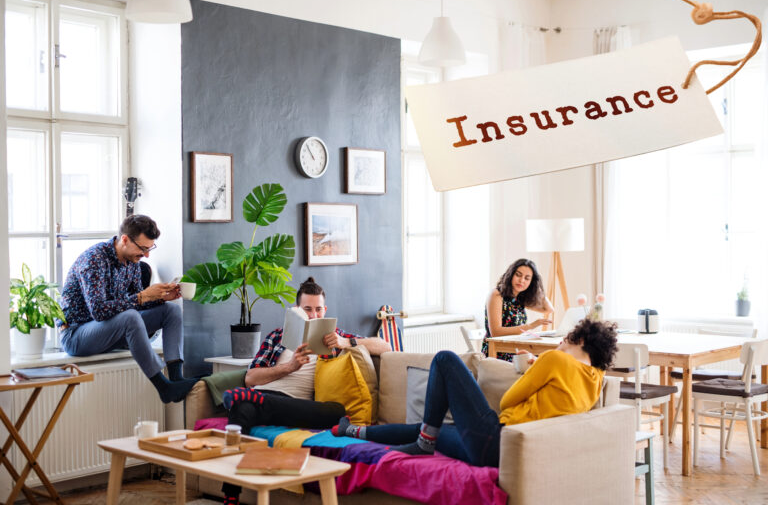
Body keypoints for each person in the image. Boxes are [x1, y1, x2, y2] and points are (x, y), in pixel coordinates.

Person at [332, 319, 618, 468]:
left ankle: (422, 442)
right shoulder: (596, 381)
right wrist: (537, 366)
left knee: (445, 359)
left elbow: (507, 401)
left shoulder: (555, 360)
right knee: (430, 431)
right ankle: (353, 431)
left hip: (497, 439)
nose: (560, 343)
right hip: (504, 455)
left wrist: (539, 363)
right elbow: (554, 400)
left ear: (578, 339)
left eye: (565, 339)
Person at [221, 277, 391, 505]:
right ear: (297, 311)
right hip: (265, 395)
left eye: (318, 310)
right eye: (307, 310)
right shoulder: (278, 337)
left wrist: (345, 342)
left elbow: (385, 346)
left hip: (297, 407)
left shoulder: (336, 338)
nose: (313, 316)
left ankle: (249, 399)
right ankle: (231, 496)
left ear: (325, 310)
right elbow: (251, 377)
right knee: (241, 411)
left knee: (337, 412)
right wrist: (290, 367)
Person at [57, 215, 198, 403]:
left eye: (150, 249)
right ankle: (163, 387)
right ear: (124, 239)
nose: (146, 255)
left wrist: (159, 297)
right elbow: (98, 311)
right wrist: (143, 296)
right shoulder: (93, 260)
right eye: (143, 249)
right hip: (77, 334)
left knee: (171, 311)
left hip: (110, 332)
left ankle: (176, 378)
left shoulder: (132, 263)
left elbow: (137, 303)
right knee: (130, 317)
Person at [484, 258, 554, 361]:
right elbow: (496, 332)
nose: (521, 280)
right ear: (511, 275)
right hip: (498, 353)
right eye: (518, 275)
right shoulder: (497, 294)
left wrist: (538, 287)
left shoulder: (520, 299)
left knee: (550, 358)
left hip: (516, 350)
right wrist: (530, 326)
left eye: (527, 278)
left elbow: (548, 309)